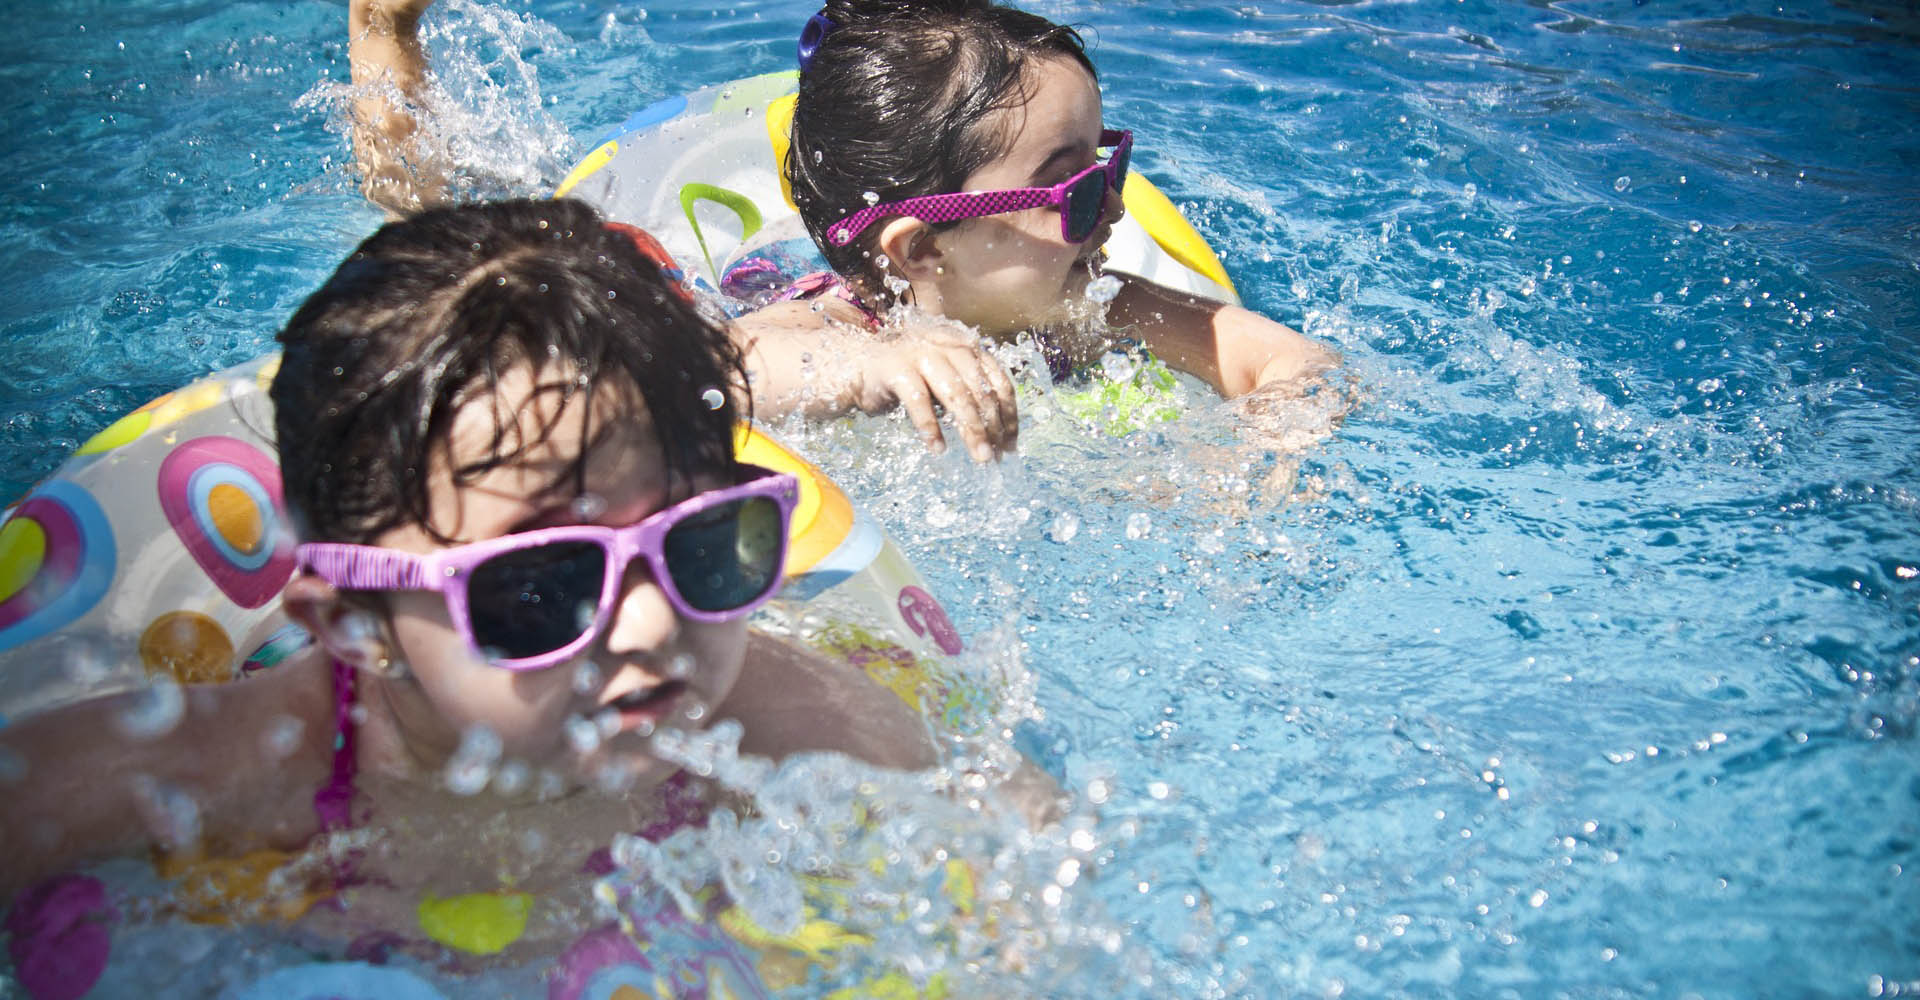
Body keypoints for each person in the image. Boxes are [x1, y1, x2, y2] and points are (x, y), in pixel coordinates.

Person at [0, 200, 937, 947]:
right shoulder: (210, 779)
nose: (653, 626)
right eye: (541, 587)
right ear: (352, 624)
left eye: (701, 544)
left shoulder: (797, 728)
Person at [344, 0, 1338, 465]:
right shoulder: (834, 329)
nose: (1112, 210)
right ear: (919, 251)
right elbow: (705, 379)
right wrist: (867, 372)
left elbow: (1280, 358)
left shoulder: (1096, 304)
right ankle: (386, 32)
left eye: (1108, 166)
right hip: (719, 280)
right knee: (453, 234)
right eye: (1072, 193)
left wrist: (1266, 449)